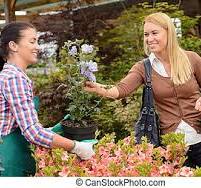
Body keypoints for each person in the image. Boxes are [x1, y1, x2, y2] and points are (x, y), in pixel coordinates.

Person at [84, 12, 201, 168]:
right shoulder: (143, 67)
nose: (149, 38)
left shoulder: (191, 59)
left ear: (169, 32)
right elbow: (121, 89)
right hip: (172, 147)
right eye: (146, 34)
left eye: (154, 33)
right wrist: (99, 89)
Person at [0, 22, 94, 177]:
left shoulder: (14, 76)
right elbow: (32, 133)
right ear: (13, 46)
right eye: (32, 41)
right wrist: (77, 147)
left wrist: (54, 130)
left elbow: (17, 126)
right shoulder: (13, 78)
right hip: (8, 163)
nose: (37, 47)